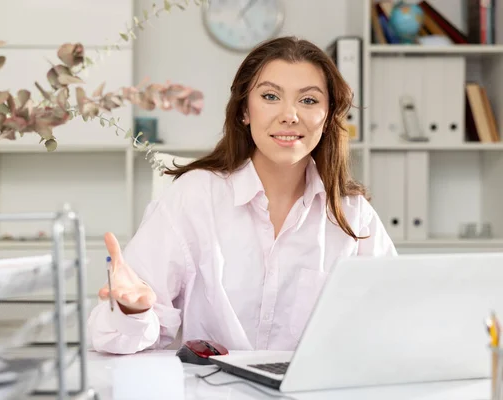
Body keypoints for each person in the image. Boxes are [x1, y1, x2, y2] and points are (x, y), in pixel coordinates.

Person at [87, 36, 396, 355]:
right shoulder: (195, 196)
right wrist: (133, 313)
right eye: (271, 96)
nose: (289, 115)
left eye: (308, 100)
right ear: (244, 112)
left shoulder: (351, 213)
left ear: (329, 115)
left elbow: (391, 318)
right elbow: (110, 337)